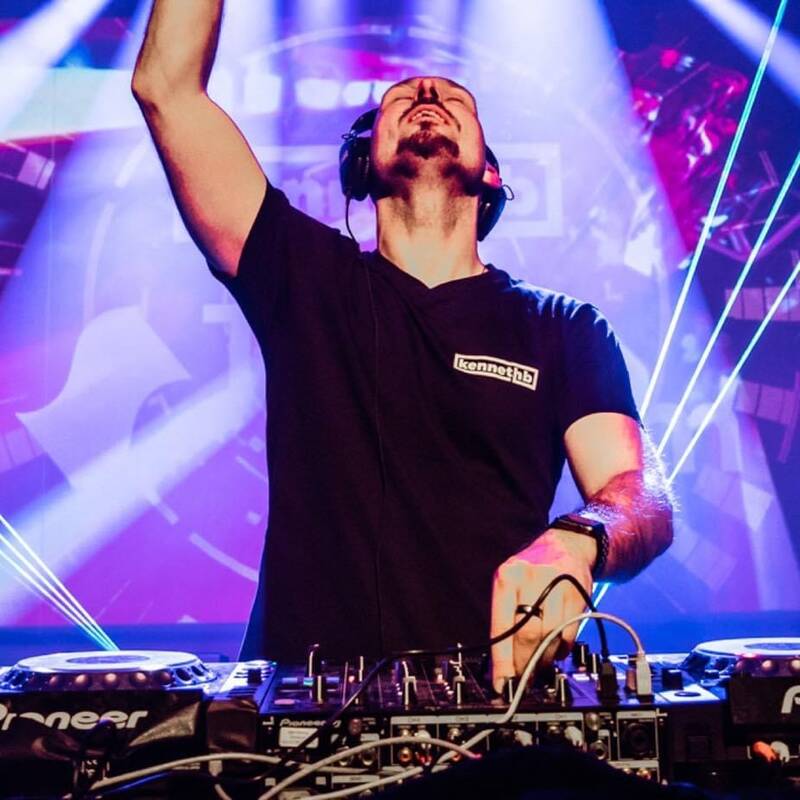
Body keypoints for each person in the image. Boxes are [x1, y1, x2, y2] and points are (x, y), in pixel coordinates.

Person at [132, 0, 673, 691]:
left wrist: (580, 538)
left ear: (492, 175)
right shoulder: (302, 277)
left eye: (455, 99)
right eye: (400, 99)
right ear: (362, 165)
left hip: (498, 709)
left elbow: (639, 495)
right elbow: (167, 89)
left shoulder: (562, 327)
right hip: (304, 706)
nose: (426, 94)